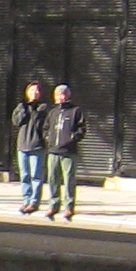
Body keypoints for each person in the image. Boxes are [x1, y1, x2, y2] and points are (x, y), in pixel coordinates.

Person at [40, 82, 86, 218]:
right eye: (57, 94)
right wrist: (48, 138)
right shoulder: (53, 112)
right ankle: (53, 205)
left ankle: (69, 206)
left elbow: (81, 129)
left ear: (67, 96)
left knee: (69, 180)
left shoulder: (75, 111)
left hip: (68, 152)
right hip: (53, 151)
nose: (59, 97)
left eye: (62, 94)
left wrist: (73, 138)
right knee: (52, 179)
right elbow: (46, 128)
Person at [10, 78, 47, 210]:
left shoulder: (43, 108)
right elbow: (17, 122)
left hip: (37, 145)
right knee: (24, 175)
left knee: (36, 175)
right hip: (22, 145)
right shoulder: (21, 107)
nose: (34, 93)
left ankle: (34, 201)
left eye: (36, 91)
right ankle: (26, 200)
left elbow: (42, 124)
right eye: (31, 91)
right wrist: (24, 107)